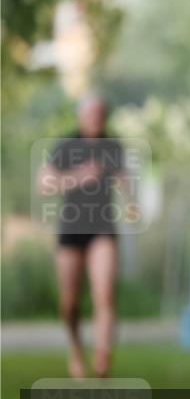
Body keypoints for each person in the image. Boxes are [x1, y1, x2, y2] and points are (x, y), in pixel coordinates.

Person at [37, 94, 124, 379]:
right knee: (69, 303)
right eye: (91, 114)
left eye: (101, 114)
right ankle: (76, 349)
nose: (96, 119)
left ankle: (102, 357)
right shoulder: (66, 146)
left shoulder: (113, 147)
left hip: (103, 228)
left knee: (105, 293)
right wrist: (79, 176)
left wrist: (129, 190)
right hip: (71, 230)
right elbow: (44, 184)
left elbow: (127, 181)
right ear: (81, 117)